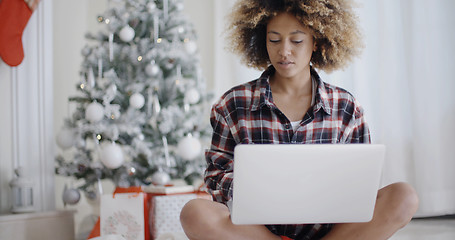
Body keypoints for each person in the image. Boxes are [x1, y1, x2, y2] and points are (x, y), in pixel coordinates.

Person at [180, 0, 419, 239]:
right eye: (274, 39)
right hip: (259, 233)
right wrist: (256, 188)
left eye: (296, 40)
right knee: (195, 212)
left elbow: (363, 185)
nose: (284, 51)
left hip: (331, 230)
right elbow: (215, 175)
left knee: (404, 197)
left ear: (316, 41)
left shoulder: (346, 107)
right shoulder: (233, 103)